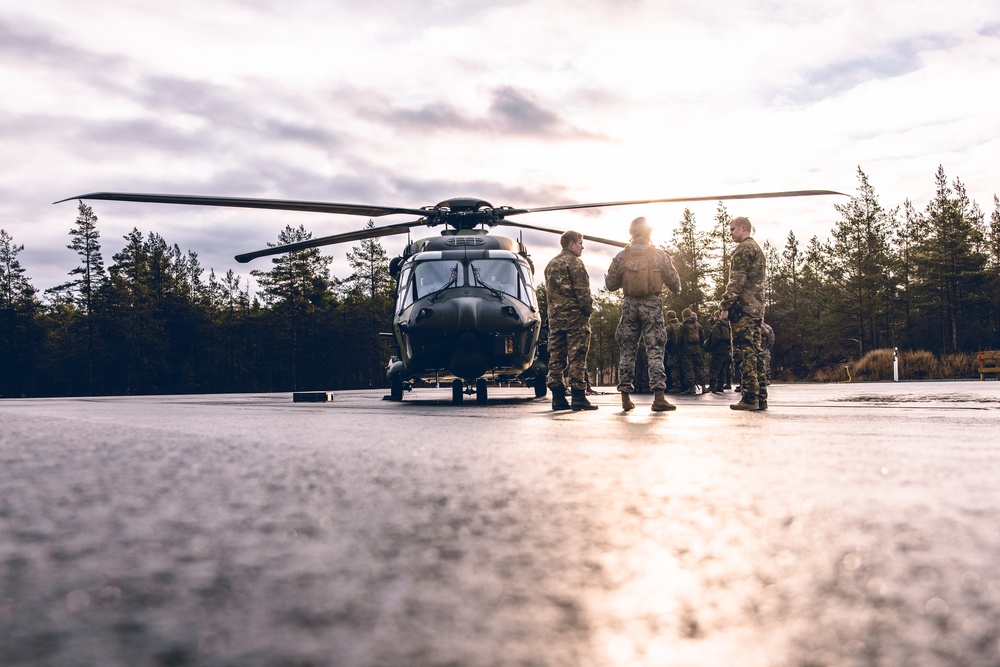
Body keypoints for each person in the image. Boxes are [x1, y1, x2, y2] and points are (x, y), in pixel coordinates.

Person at [605, 217, 682, 412]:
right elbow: (675, 283)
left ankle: (625, 398)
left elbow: (610, 285)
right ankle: (658, 397)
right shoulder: (659, 255)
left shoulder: (622, 256)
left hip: (629, 306)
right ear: (649, 233)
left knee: (627, 350)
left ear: (631, 233)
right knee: (655, 350)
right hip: (652, 305)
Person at [545, 230, 597, 411]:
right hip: (575, 320)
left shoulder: (551, 264)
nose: (582, 246)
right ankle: (578, 396)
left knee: (556, 358)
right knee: (577, 356)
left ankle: (557, 397)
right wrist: (588, 310)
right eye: (580, 243)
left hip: (556, 320)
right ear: (571, 244)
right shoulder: (575, 263)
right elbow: (583, 292)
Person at [720, 216, 768, 411]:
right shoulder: (757, 249)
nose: (730, 233)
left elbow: (737, 280)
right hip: (755, 309)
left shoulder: (743, 249)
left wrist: (725, 306)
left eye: (732, 230)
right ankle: (761, 397)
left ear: (742, 228)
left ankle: (749, 398)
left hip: (744, 310)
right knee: (756, 354)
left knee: (744, 353)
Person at [678, 307, 706, 394]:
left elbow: (679, 339)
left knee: (688, 368)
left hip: (686, 350)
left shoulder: (683, 326)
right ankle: (704, 387)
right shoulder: (698, 325)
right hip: (697, 348)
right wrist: (700, 348)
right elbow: (702, 338)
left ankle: (691, 387)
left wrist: (679, 349)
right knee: (699, 367)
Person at [705, 309, 732, 394]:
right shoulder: (727, 326)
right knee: (723, 369)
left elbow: (715, 339)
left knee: (714, 368)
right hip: (725, 350)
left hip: (717, 351)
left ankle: (712, 385)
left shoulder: (717, 326)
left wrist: (709, 346)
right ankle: (720, 385)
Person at [663, 309, 682, 393]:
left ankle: (676, 386)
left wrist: (667, 348)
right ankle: (684, 385)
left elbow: (665, 340)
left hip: (672, 350)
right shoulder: (681, 325)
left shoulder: (668, 327)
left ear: (667, 318)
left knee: (674, 368)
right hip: (682, 350)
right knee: (683, 367)